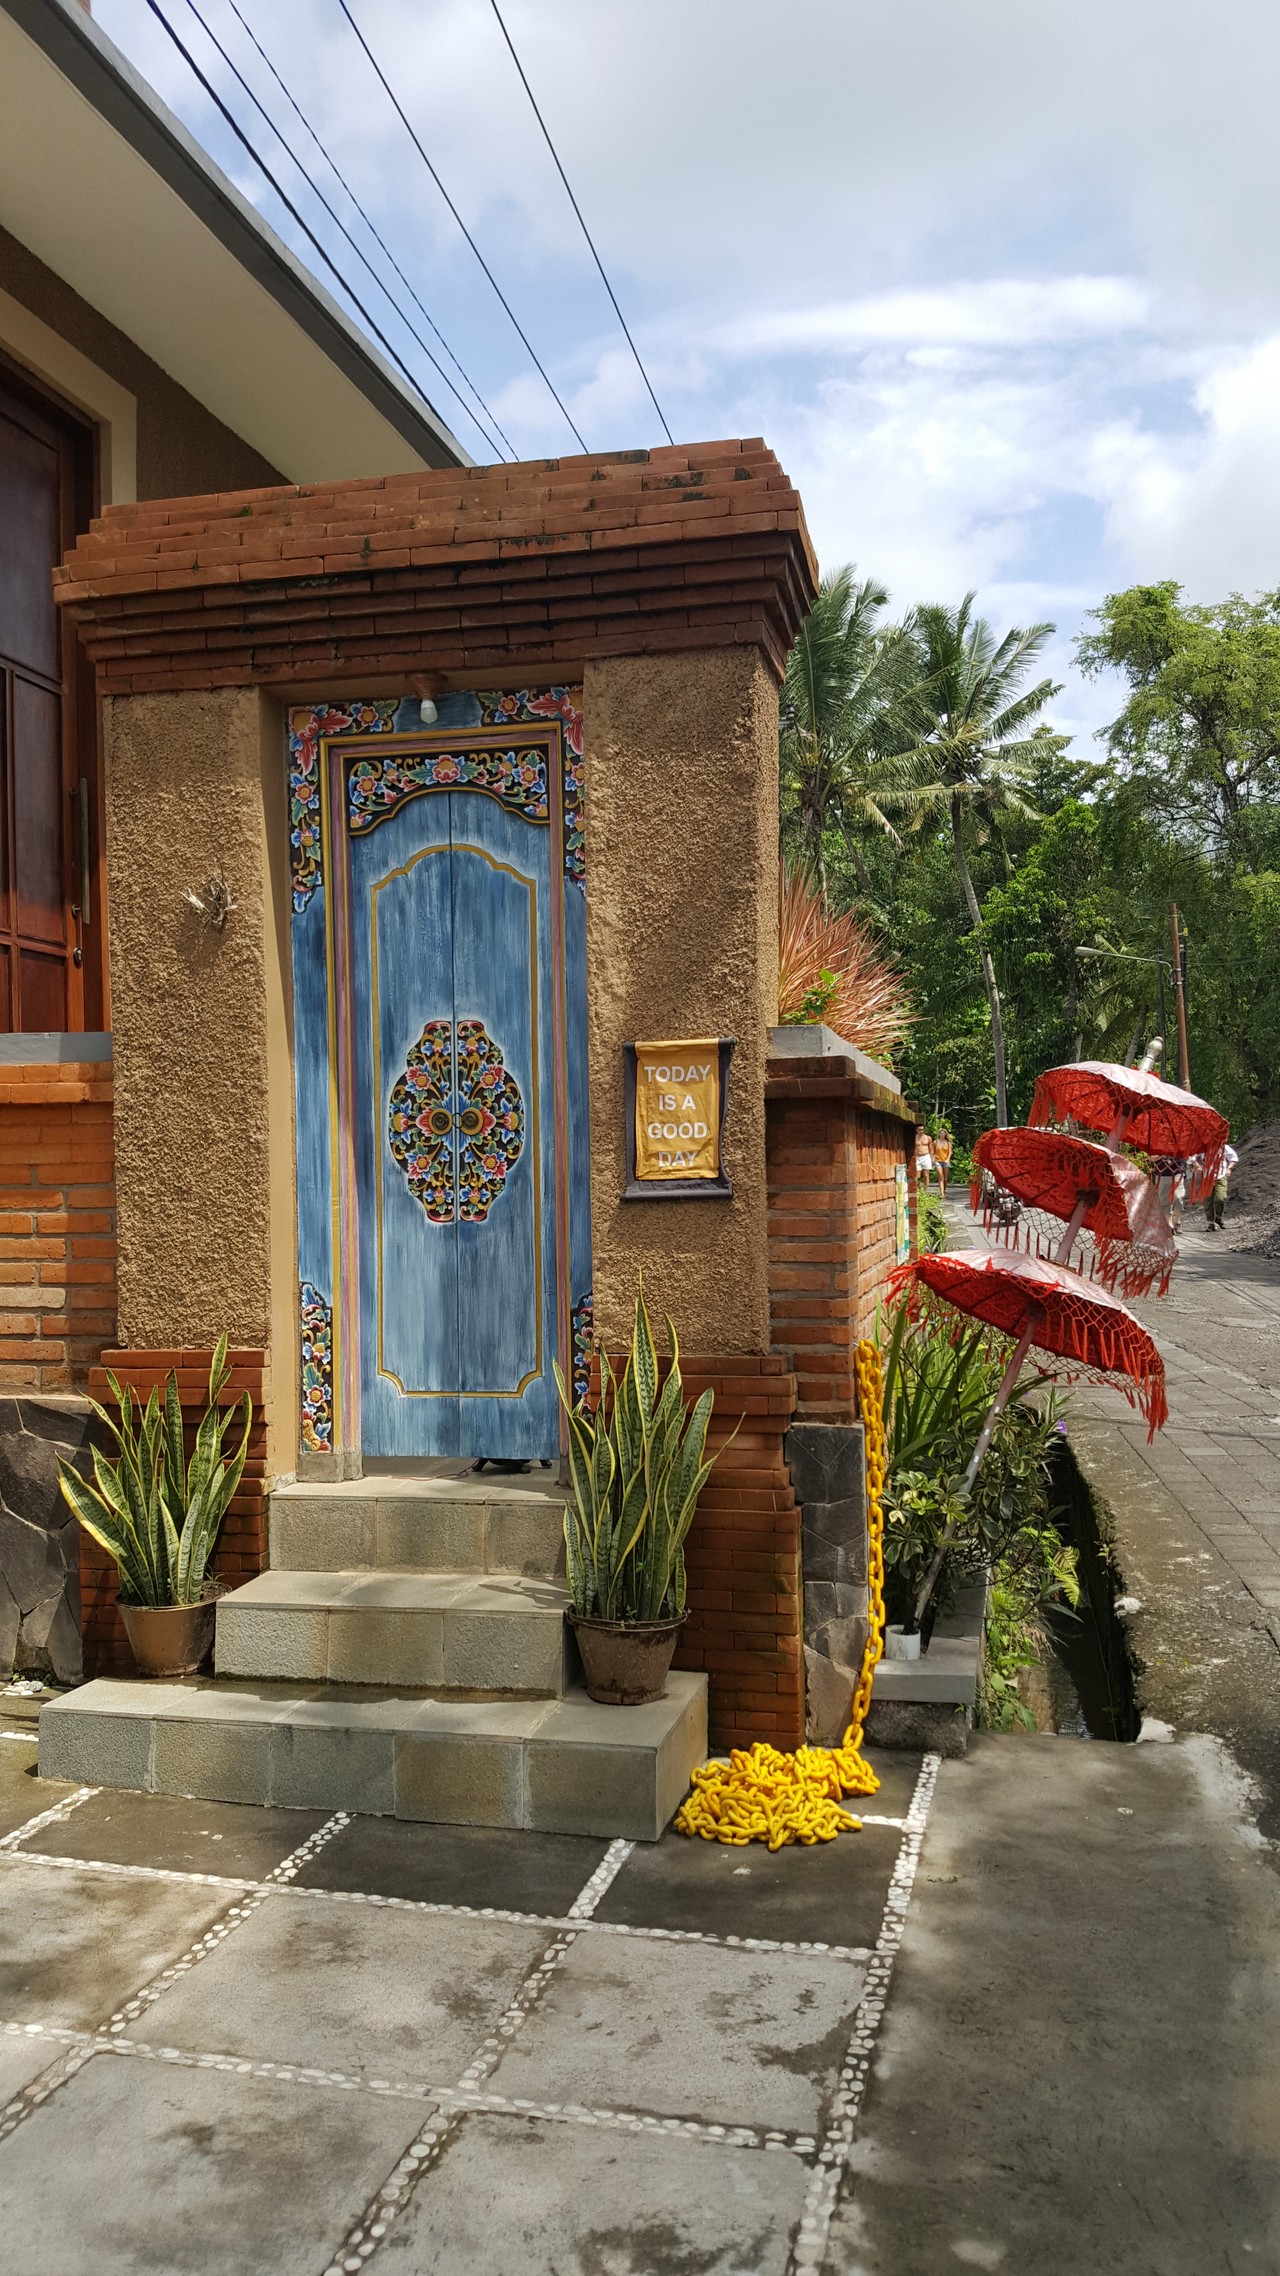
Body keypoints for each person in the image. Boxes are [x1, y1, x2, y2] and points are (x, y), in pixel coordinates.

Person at [1204, 1143, 1239, 1231]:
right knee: (1208, 1201)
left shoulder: (1223, 1147)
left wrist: (1229, 1168)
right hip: (1206, 1178)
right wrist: (1196, 1166)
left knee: (1220, 1198)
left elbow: (1233, 1157)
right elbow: (1191, 1158)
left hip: (1221, 1176)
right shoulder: (1201, 1148)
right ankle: (1210, 1223)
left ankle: (1218, 1217)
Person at [931, 1125, 954, 1197]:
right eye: (941, 1133)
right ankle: (942, 1194)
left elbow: (950, 1152)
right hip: (938, 1161)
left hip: (946, 1161)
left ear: (945, 1134)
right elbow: (933, 1152)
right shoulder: (935, 1142)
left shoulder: (948, 1142)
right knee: (941, 1177)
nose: (942, 1135)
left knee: (945, 1179)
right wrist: (933, 1160)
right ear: (939, 1134)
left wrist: (948, 1159)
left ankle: (943, 1191)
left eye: (943, 1133)